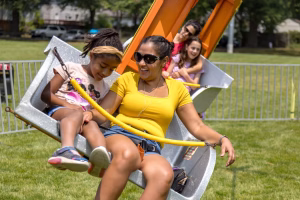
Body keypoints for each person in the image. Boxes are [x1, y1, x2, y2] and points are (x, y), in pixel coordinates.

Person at [84, 35, 235, 200]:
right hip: (121, 134)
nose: (142, 63)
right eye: (139, 57)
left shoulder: (177, 89)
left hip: (150, 146)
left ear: (165, 61)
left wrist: (222, 139)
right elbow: (103, 111)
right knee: (128, 154)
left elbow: (196, 126)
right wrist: (89, 114)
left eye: (149, 59)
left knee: (164, 175)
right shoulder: (127, 79)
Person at [41, 28, 124, 172]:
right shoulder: (70, 68)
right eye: (103, 66)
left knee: (92, 125)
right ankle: (65, 149)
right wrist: (69, 106)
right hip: (59, 110)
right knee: (77, 114)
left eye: (111, 69)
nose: (105, 73)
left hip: (81, 119)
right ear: (92, 56)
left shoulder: (104, 87)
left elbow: (98, 114)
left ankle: (101, 156)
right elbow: (46, 94)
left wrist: (88, 115)